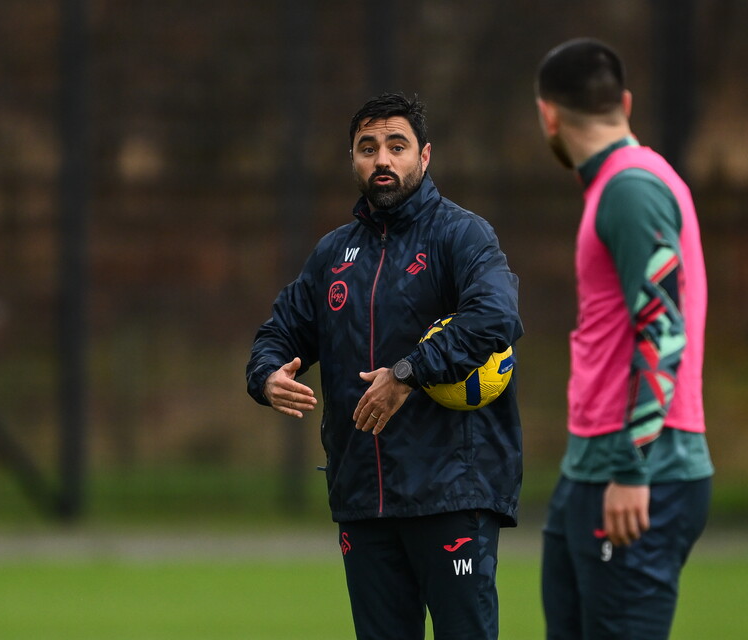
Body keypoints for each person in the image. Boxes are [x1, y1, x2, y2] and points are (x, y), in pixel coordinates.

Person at [246, 92, 523, 640]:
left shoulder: (461, 234)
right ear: (352, 159)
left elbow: (496, 315)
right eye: (368, 147)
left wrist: (408, 372)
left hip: (452, 493)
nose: (382, 160)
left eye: (397, 146)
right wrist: (267, 374)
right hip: (364, 499)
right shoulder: (333, 254)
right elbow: (278, 332)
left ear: (424, 155)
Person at [534, 39, 714, 639]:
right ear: (626, 104)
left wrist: (634, 469)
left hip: (639, 470)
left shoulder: (632, 188)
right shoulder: (616, 184)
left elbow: (663, 328)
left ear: (548, 115)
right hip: (591, 467)